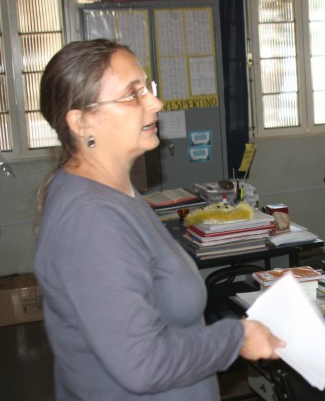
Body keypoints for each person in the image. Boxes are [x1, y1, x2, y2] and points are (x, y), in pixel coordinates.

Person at [34, 39, 284, 400]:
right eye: (131, 94)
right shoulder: (90, 219)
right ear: (82, 121)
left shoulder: (116, 193)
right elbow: (142, 362)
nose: (155, 103)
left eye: (147, 88)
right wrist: (238, 337)